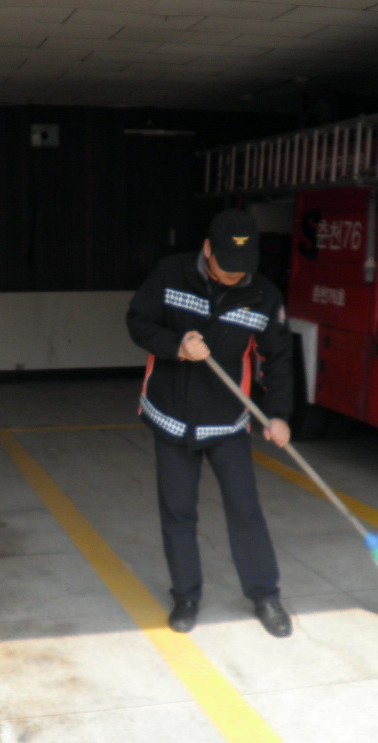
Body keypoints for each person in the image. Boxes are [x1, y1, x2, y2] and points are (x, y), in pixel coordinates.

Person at [126, 208, 295, 638]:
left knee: (245, 510)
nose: (235, 276)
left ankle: (265, 595)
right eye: (226, 266)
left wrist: (278, 414)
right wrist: (176, 345)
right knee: (178, 513)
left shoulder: (264, 295)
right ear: (207, 250)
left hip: (226, 423)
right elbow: (138, 322)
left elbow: (277, 359)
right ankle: (186, 596)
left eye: (243, 268)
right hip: (171, 419)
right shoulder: (171, 275)